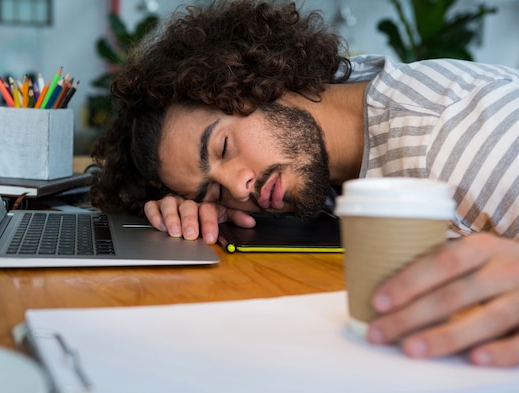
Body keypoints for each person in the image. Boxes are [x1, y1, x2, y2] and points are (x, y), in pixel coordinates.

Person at [89, 0, 519, 367]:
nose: (240, 189)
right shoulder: (345, 116)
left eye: (222, 147)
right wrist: (195, 212)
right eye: (213, 192)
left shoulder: (456, 135)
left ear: (257, 82)